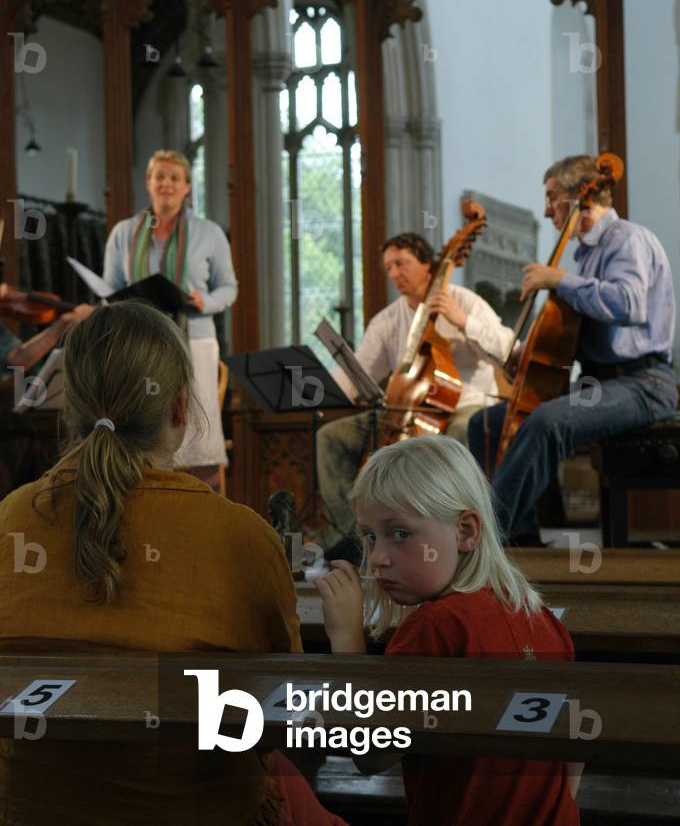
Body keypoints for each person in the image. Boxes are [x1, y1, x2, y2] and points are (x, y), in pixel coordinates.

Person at [0, 300, 347, 826]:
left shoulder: (11, 517)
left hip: (33, 809)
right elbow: (286, 715)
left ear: (70, 407)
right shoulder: (241, 537)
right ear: (181, 408)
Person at [314, 435, 581, 826]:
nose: (378, 557)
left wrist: (346, 638)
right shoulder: (543, 618)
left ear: (466, 532)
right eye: (369, 536)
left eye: (400, 534)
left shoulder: (436, 628)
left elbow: (371, 753)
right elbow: (572, 749)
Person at [468, 154, 677, 543]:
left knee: (549, 421)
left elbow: (629, 304)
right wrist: (525, 356)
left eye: (551, 197)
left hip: (645, 383)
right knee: (486, 423)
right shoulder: (586, 257)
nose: (547, 210)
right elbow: (571, 339)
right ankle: (523, 538)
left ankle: (488, 536)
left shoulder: (627, 239)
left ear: (578, 196)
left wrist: (560, 280)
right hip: (600, 383)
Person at [317, 232, 514, 553]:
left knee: (462, 431)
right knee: (331, 437)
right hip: (405, 411)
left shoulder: (463, 301)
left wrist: (462, 320)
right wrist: (313, 389)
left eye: (401, 263)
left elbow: (508, 350)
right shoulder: (389, 319)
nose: (394, 273)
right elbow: (359, 375)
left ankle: (459, 537)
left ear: (427, 264)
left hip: (464, 405)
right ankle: (351, 537)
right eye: (389, 267)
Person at [103, 148, 237, 488]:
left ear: (187, 187)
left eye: (175, 178)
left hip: (194, 338)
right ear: (148, 183)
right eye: (159, 176)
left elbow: (229, 288)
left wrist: (202, 299)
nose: (167, 183)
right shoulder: (124, 233)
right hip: (139, 344)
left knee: (199, 436)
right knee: (142, 428)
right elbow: (110, 289)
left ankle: (210, 518)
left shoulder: (209, 233)